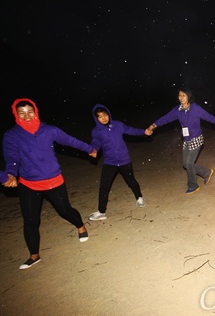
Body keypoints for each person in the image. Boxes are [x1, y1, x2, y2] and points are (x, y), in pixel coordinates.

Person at [3, 98, 97, 270]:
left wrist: (89, 149)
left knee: (65, 210)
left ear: (36, 111)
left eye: (30, 111)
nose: (27, 116)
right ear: (16, 115)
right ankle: (34, 255)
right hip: (29, 184)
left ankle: (81, 226)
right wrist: (10, 174)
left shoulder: (48, 130)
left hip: (53, 180)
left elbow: (70, 141)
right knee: (30, 221)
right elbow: (12, 159)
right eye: (21, 113)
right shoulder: (11, 136)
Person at [146, 86, 215, 194]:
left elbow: (209, 117)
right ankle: (207, 172)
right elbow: (165, 118)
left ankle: (193, 185)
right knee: (186, 164)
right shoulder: (177, 110)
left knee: (189, 163)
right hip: (187, 139)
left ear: (189, 97)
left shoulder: (195, 108)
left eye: (184, 95)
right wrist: (153, 126)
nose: (181, 98)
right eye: (180, 95)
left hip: (196, 139)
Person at [88, 104, 152, 221]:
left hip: (124, 160)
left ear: (108, 114)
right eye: (100, 116)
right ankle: (102, 212)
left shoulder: (117, 125)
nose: (104, 118)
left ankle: (139, 198)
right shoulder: (96, 131)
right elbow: (96, 142)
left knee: (131, 180)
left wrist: (144, 132)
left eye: (105, 115)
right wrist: (94, 149)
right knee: (104, 186)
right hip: (110, 162)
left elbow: (131, 130)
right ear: (96, 118)